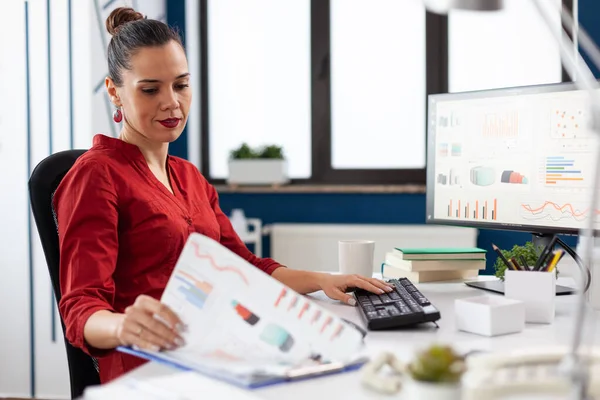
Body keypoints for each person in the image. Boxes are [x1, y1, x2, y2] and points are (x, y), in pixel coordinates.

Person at [54, 7, 393, 384]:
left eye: (181, 85)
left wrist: (323, 279)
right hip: (151, 369)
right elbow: (81, 309)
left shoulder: (189, 177)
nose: (172, 103)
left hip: (218, 352)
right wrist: (122, 326)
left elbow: (244, 268)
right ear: (114, 92)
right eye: (150, 89)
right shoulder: (95, 175)